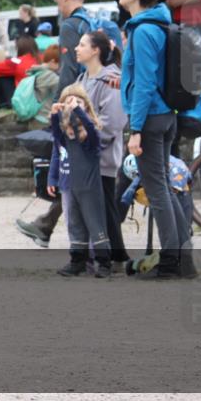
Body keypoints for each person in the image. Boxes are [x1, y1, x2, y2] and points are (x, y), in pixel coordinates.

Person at [118, 0, 186, 279]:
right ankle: (179, 256)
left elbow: (145, 84)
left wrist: (136, 129)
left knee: (158, 190)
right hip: (164, 116)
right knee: (165, 189)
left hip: (151, 120)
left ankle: (171, 262)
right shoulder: (153, 24)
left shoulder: (143, 31)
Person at [15, 0, 91, 247]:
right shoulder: (91, 21)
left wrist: (60, 105)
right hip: (93, 98)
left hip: (77, 102)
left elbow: (69, 68)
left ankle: (91, 241)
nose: (57, 1)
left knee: (77, 171)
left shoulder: (70, 26)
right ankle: (46, 224)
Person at [75, 30, 130, 268]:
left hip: (102, 155)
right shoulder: (81, 80)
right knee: (101, 208)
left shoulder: (111, 79)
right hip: (83, 156)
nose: (76, 48)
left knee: (105, 207)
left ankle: (114, 256)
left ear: (95, 50)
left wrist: (89, 136)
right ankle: (114, 255)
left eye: (82, 44)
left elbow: (114, 122)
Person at [47, 84, 112, 278]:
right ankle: (77, 261)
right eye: (68, 101)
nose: (72, 104)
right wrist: (55, 115)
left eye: (78, 101)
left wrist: (77, 109)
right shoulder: (66, 138)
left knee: (95, 224)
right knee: (74, 225)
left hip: (89, 190)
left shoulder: (91, 138)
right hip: (71, 188)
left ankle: (104, 263)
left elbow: (90, 128)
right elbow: (56, 137)